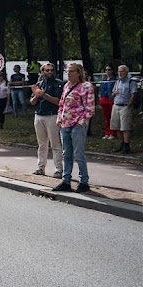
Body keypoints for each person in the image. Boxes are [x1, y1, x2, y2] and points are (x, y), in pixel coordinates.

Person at [53, 62, 95, 193]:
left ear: (79, 73)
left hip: (78, 124)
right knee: (67, 154)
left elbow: (90, 108)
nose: (69, 73)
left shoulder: (86, 87)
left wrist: (81, 122)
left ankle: (84, 181)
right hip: (65, 124)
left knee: (78, 153)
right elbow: (62, 104)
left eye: (72, 71)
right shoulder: (66, 86)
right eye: (68, 71)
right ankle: (66, 180)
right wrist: (59, 118)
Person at [30, 62, 64, 176]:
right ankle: (40, 167)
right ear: (42, 72)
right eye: (47, 70)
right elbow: (32, 102)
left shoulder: (58, 84)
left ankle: (59, 169)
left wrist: (44, 95)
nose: (49, 72)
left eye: (51, 70)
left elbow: (58, 101)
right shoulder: (39, 84)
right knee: (42, 144)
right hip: (39, 115)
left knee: (55, 143)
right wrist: (36, 95)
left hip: (52, 115)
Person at [110, 64, 137, 154]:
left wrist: (129, 105)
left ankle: (127, 145)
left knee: (125, 127)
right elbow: (112, 93)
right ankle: (122, 144)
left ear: (126, 72)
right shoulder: (117, 82)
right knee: (117, 126)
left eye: (122, 71)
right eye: (119, 71)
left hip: (125, 106)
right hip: (116, 105)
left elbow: (134, 94)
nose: (120, 73)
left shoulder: (131, 82)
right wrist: (114, 93)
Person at [98, 65, 117, 139]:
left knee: (112, 117)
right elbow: (100, 89)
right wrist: (100, 97)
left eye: (109, 70)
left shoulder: (114, 79)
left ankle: (113, 133)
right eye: (106, 70)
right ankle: (107, 132)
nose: (107, 71)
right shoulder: (104, 79)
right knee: (106, 117)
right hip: (104, 99)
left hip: (111, 99)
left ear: (112, 71)